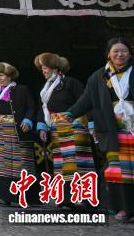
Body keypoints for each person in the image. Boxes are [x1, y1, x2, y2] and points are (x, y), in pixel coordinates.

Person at [66, 38, 134, 221]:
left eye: (124, 51)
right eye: (115, 51)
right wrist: (71, 113)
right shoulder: (99, 76)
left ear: (130, 54)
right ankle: (124, 208)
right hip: (112, 129)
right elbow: (86, 99)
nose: (120, 54)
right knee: (118, 169)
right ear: (108, 54)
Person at [34, 53, 95, 207]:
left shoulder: (71, 83)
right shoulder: (46, 88)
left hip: (75, 127)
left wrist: (92, 122)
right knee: (61, 165)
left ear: (55, 68)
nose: (43, 71)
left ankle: (84, 199)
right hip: (57, 129)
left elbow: (85, 102)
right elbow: (43, 108)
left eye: (45, 68)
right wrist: (42, 126)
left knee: (77, 163)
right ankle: (66, 199)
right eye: (42, 68)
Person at [0, 62, 40, 206]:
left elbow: (32, 107)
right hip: (0, 132)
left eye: (2, 75)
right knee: (1, 165)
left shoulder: (22, 90)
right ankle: (3, 196)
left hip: (19, 131)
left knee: (21, 164)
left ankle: (25, 197)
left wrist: (28, 120)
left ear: (10, 76)